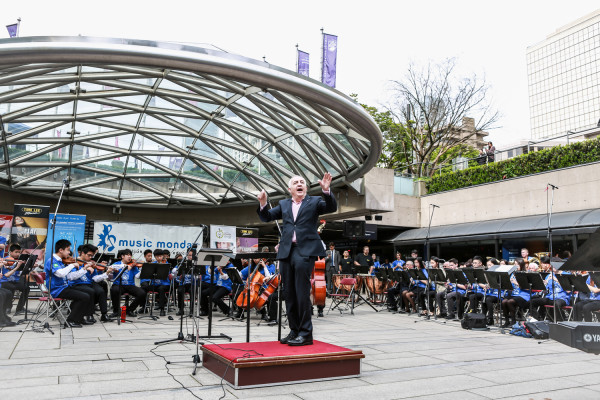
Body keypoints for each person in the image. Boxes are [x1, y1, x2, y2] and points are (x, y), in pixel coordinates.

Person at [257, 173, 336, 346]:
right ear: (290, 189)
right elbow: (266, 217)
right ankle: (294, 330)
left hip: (304, 250)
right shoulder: (284, 204)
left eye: (302, 182)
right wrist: (263, 203)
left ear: (305, 188)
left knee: (301, 292)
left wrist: (326, 190)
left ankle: (306, 333)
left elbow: (331, 207)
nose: (299, 184)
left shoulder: (314, 202)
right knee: (289, 293)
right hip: (286, 251)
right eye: (295, 182)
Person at [44, 239, 93, 328]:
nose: (69, 252)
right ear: (61, 250)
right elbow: (60, 274)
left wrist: (84, 269)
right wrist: (72, 265)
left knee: (87, 293)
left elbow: (70, 277)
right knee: (84, 297)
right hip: (57, 290)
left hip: (64, 287)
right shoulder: (52, 260)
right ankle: (70, 321)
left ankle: (78, 318)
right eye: (68, 250)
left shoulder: (61, 261)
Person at [70, 244, 113, 323]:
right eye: (89, 255)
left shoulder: (89, 263)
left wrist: (106, 273)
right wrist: (84, 268)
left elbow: (95, 279)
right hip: (77, 284)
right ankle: (89, 315)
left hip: (89, 283)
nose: (90, 258)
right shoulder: (73, 262)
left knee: (101, 291)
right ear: (82, 253)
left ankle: (104, 314)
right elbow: (72, 277)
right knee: (90, 291)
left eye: (92, 256)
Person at [109, 249, 146, 318]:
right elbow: (111, 268)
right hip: (118, 284)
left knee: (142, 293)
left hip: (130, 285)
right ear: (122, 256)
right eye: (128, 255)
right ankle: (116, 311)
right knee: (114, 290)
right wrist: (125, 266)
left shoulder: (133, 266)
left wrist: (142, 270)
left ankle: (129, 310)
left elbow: (137, 276)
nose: (130, 257)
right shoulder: (117, 264)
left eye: (130, 255)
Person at [0, 243, 29, 314]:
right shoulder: (6, 259)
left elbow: (18, 274)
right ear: (10, 252)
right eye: (16, 252)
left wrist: (26, 266)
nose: (18, 254)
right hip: (5, 281)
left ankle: (20, 308)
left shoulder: (18, 261)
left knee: (26, 288)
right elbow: (6, 274)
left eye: (19, 252)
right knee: (11, 287)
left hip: (14, 280)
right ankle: (8, 307)